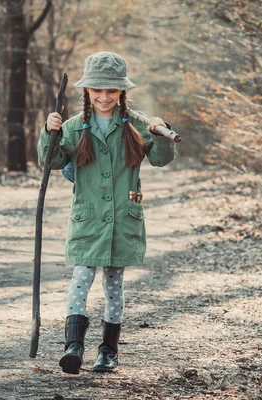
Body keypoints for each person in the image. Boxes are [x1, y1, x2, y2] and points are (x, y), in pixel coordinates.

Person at [37, 51, 176, 374]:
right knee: (81, 279)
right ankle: (73, 346)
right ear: (86, 91)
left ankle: (108, 352)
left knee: (114, 286)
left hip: (122, 220)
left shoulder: (137, 125)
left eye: (111, 91)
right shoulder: (74, 127)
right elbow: (52, 162)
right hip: (87, 219)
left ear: (121, 92)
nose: (103, 97)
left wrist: (161, 132)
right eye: (97, 90)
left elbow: (161, 159)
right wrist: (49, 131)